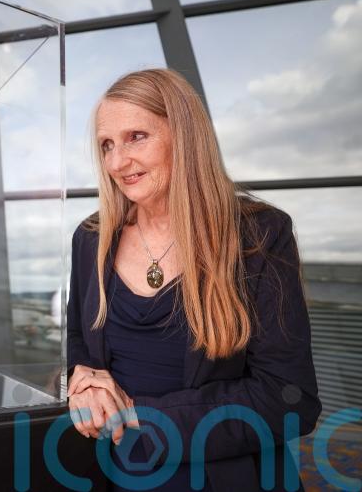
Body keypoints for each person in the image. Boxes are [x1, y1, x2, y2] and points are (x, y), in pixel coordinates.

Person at [66, 68, 322, 492]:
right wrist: (83, 380)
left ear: (184, 136)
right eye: (106, 145)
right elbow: (79, 337)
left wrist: (139, 414)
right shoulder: (91, 238)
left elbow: (289, 400)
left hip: (228, 478)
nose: (116, 161)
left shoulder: (258, 235)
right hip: (116, 473)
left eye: (136, 137)